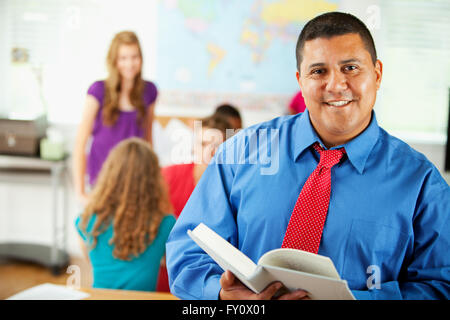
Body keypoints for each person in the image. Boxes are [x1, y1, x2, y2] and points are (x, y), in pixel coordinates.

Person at [166, 12, 450, 300]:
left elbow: (441, 287)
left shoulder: (422, 183)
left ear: (376, 74)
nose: (336, 85)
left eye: (350, 68)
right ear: (301, 81)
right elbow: (187, 252)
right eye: (319, 71)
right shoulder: (241, 154)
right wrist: (223, 295)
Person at [75, 137, 175, 291]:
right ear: (154, 180)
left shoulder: (85, 220)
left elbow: (89, 258)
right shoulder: (165, 224)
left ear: (109, 175)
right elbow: (170, 264)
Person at [73, 31, 157, 204]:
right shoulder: (98, 90)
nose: (129, 63)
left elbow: (148, 140)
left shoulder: (149, 91)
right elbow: (80, 143)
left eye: (134, 57)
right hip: (101, 181)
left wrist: (152, 182)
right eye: (123, 58)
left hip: (135, 181)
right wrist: (80, 192)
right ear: (114, 61)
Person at [155, 115, 232, 292]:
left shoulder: (234, 186)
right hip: (166, 276)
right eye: (203, 144)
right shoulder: (168, 175)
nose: (209, 152)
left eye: (216, 146)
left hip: (214, 282)